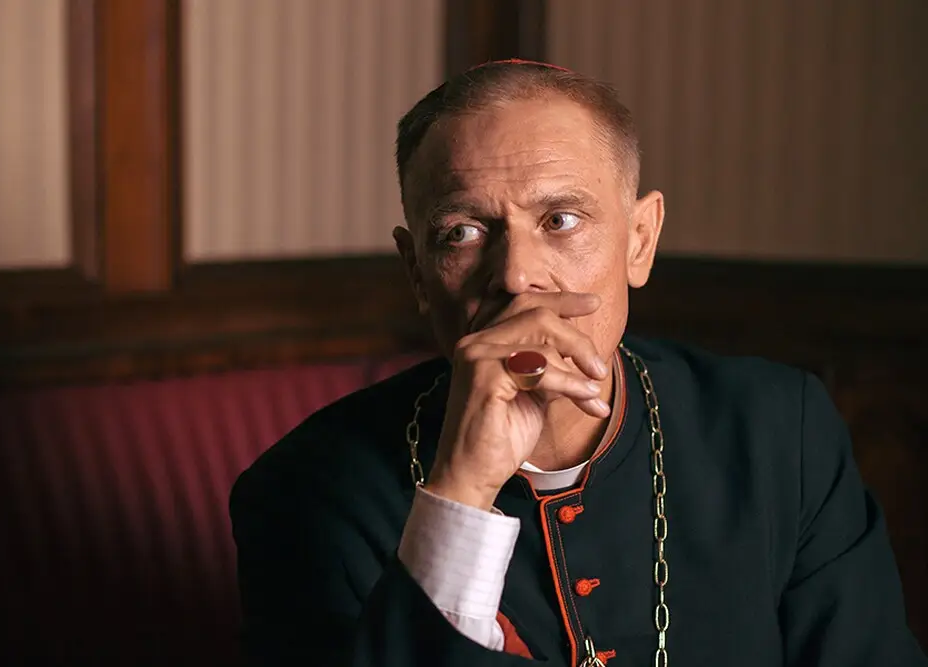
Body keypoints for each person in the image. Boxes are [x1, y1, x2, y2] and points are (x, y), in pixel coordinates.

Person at [230, 60, 926, 666]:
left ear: (640, 241)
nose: (517, 276)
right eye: (462, 232)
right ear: (417, 271)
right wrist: (460, 492)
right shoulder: (302, 491)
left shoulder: (780, 432)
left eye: (560, 220)